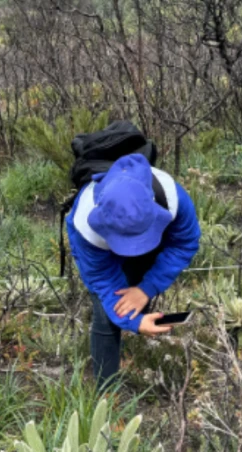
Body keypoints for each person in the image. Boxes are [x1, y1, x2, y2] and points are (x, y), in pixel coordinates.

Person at [66, 152, 200, 388]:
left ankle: (126, 350)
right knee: (106, 312)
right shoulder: (84, 225)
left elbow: (185, 242)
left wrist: (146, 289)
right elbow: (101, 278)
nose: (131, 251)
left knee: (135, 291)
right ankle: (105, 395)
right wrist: (133, 322)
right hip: (100, 248)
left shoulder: (171, 198)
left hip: (149, 233)